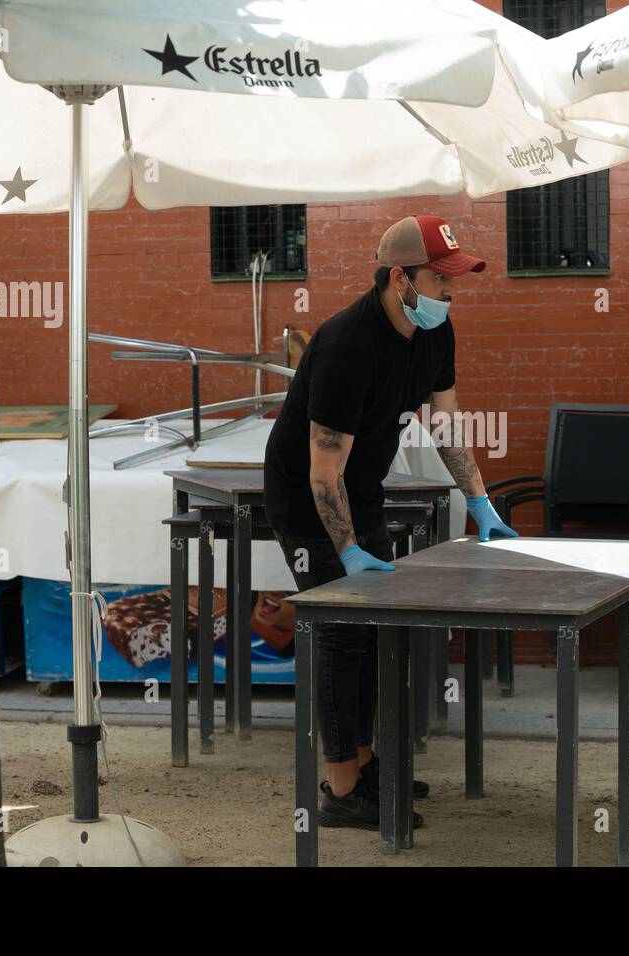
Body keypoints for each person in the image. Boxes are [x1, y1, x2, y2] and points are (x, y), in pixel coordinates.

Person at [263, 214, 518, 830]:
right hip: (308, 501)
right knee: (343, 632)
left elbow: (448, 425)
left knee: (375, 630)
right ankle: (341, 788)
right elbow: (322, 472)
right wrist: (347, 551)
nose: (450, 292)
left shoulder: (436, 332)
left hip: (363, 488)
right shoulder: (347, 346)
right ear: (400, 279)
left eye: (454, 279)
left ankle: (368, 762)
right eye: (439, 279)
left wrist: (480, 504)